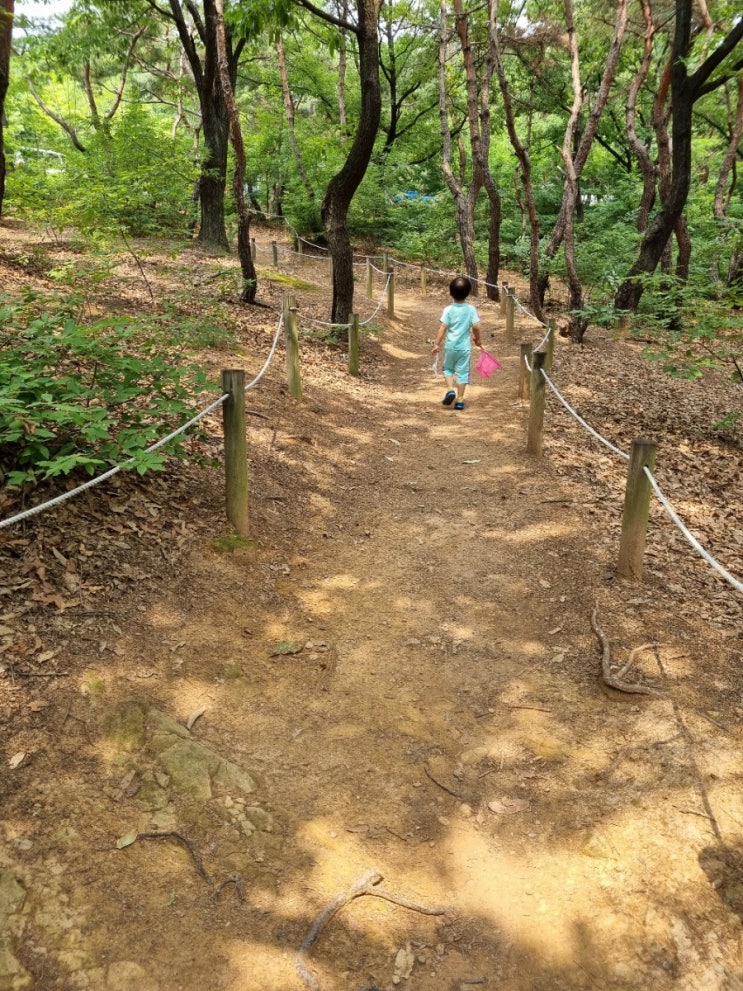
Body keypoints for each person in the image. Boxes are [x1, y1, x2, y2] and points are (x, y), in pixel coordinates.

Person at [431, 275, 483, 411]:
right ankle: (459, 400)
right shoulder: (471, 309)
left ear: (450, 293)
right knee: (462, 373)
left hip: (450, 347)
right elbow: (476, 326)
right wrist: (478, 340)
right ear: (468, 293)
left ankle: (450, 390)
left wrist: (436, 344)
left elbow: (443, 327)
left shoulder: (448, 310)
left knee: (448, 369)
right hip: (464, 348)